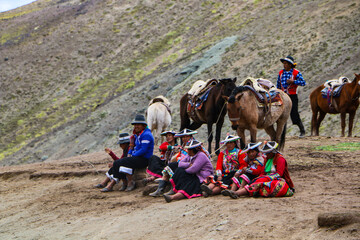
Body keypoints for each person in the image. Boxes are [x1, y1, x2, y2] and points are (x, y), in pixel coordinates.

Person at [223, 141, 294, 198]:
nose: (266, 154)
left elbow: (279, 174)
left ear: (273, 152)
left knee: (260, 184)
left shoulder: (280, 159)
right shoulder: (267, 159)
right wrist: (259, 178)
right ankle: (235, 192)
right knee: (255, 181)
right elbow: (263, 171)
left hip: (278, 179)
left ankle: (237, 193)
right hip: (266, 177)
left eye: (268, 152)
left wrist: (266, 178)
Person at [149, 128, 198, 197]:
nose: (184, 138)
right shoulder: (181, 146)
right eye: (183, 137)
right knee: (156, 159)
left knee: (173, 166)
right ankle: (160, 189)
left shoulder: (189, 145)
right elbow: (161, 148)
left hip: (191, 166)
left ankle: (172, 188)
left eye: (186, 136)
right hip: (174, 163)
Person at [113, 114, 154, 191]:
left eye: (138, 125)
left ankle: (130, 182)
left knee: (118, 163)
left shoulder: (146, 135)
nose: (136, 126)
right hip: (137, 157)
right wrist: (130, 153)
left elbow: (143, 150)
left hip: (144, 159)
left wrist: (132, 155)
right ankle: (125, 182)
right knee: (117, 163)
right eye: (135, 125)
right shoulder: (137, 135)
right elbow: (132, 146)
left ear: (143, 126)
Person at [277, 55, 306, 137]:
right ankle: (282, 132)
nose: (284, 65)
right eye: (284, 63)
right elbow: (278, 84)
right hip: (282, 96)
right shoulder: (281, 73)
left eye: (286, 63)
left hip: (292, 95)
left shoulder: (296, 73)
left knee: (294, 113)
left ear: (290, 64)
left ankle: (302, 130)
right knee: (281, 113)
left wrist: (293, 81)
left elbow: (303, 82)